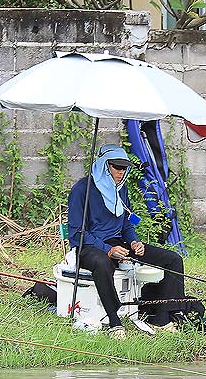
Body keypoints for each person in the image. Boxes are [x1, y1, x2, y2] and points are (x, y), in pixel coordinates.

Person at [67, 144, 185, 338]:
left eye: (124, 168)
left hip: (118, 243)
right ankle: (114, 321)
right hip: (88, 246)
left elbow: (127, 223)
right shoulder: (82, 189)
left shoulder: (121, 189)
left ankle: (163, 318)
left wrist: (134, 243)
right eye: (116, 167)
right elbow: (76, 233)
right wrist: (107, 249)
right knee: (102, 262)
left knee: (172, 259)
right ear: (104, 165)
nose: (121, 172)